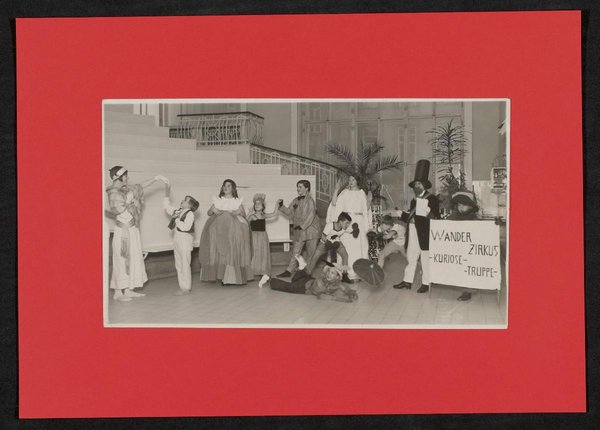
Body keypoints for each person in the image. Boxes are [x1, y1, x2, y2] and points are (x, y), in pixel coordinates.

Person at [106, 166, 163, 302]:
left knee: (134, 259)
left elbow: (141, 186)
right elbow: (118, 209)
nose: (127, 178)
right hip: (123, 231)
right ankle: (118, 292)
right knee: (121, 260)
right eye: (125, 176)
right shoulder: (112, 192)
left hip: (132, 230)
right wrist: (132, 202)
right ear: (119, 177)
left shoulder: (127, 189)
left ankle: (129, 289)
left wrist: (155, 179)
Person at [394, 160, 440, 293]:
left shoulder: (432, 198)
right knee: (411, 256)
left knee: (425, 258)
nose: (416, 186)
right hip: (413, 230)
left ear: (424, 185)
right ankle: (407, 281)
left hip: (425, 232)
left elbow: (434, 216)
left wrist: (427, 212)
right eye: (415, 184)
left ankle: (426, 283)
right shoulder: (414, 200)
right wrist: (401, 214)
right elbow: (412, 217)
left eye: (419, 184)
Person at [198, 179, 253, 285]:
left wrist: (238, 212)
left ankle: (230, 278)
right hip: (219, 228)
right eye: (224, 186)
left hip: (233, 229)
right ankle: (221, 276)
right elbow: (209, 212)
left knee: (231, 251)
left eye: (228, 186)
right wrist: (213, 210)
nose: (226, 188)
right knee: (219, 251)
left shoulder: (236, 201)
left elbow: (243, 214)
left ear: (233, 188)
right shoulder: (218, 200)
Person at [328, 175, 372, 281]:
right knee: (346, 247)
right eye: (349, 180)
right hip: (347, 222)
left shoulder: (362, 193)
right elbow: (334, 204)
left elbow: (366, 209)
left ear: (357, 181)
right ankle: (344, 273)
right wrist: (336, 189)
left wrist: (369, 200)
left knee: (358, 247)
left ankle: (357, 273)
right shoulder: (345, 193)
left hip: (358, 222)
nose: (351, 182)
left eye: (353, 180)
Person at [276, 180, 321, 278]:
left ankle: (307, 272)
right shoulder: (295, 200)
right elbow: (289, 212)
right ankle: (289, 271)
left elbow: (311, 215)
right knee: (295, 251)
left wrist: (302, 226)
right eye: (297, 187)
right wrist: (281, 206)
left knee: (311, 253)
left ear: (306, 188)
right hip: (300, 230)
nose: (298, 189)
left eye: (300, 187)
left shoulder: (310, 201)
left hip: (312, 231)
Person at [296, 211, 356, 283]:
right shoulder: (330, 226)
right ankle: (307, 275)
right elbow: (323, 237)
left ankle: (345, 275)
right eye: (346, 223)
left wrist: (356, 230)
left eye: (349, 223)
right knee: (315, 257)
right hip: (324, 243)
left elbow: (352, 230)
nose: (347, 225)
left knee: (345, 255)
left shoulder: (345, 228)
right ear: (340, 222)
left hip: (336, 242)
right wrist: (328, 244)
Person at [163, 181, 199, 295]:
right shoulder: (178, 211)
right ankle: (182, 286)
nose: (182, 201)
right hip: (177, 239)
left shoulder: (190, 214)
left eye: (185, 200)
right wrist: (167, 192)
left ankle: (186, 287)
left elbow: (185, 227)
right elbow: (166, 207)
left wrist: (177, 219)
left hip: (185, 240)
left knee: (185, 264)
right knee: (178, 264)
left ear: (189, 205)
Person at [447, 191, 480, 301]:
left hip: (469, 250)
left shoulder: (475, 219)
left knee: (468, 269)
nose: (460, 207)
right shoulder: (453, 217)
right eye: (459, 205)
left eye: (463, 205)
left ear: (470, 206)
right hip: (456, 249)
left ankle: (467, 291)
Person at [270, 264, 358, 303]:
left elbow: (345, 288)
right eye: (328, 271)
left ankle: (301, 270)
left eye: (332, 273)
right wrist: (342, 300)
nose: (328, 274)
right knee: (289, 287)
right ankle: (270, 281)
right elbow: (320, 296)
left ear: (337, 277)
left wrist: (351, 293)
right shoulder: (322, 282)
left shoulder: (337, 283)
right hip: (304, 286)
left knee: (294, 280)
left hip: (309, 279)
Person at [247, 193, 278, 288]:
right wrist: (249, 213)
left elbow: (274, 214)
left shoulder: (264, 215)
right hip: (254, 237)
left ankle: (262, 272)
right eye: (255, 204)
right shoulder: (253, 216)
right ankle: (251, 272)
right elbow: (245, 222)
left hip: (263, 238)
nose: (257, 205)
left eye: (259, 204)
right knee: (255, 254)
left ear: (263, 206)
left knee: (263, 254)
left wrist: (277, 204)